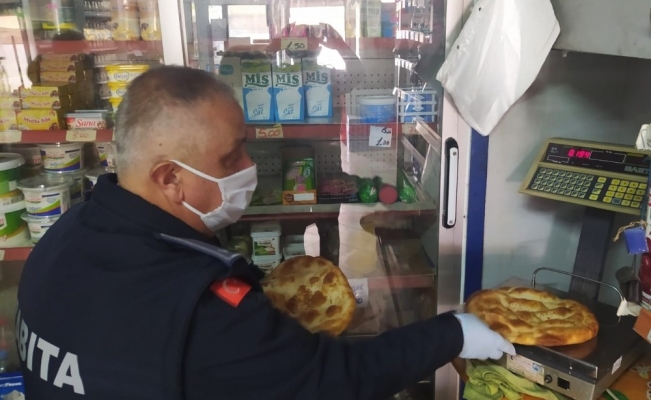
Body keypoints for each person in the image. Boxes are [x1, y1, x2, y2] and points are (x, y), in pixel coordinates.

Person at [16, 66, 515, 399]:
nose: (249, 168)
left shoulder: (63, 238)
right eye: (230, 157)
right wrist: (452, 333)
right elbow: (332, 381)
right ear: (170, 178)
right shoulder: (200, 308)